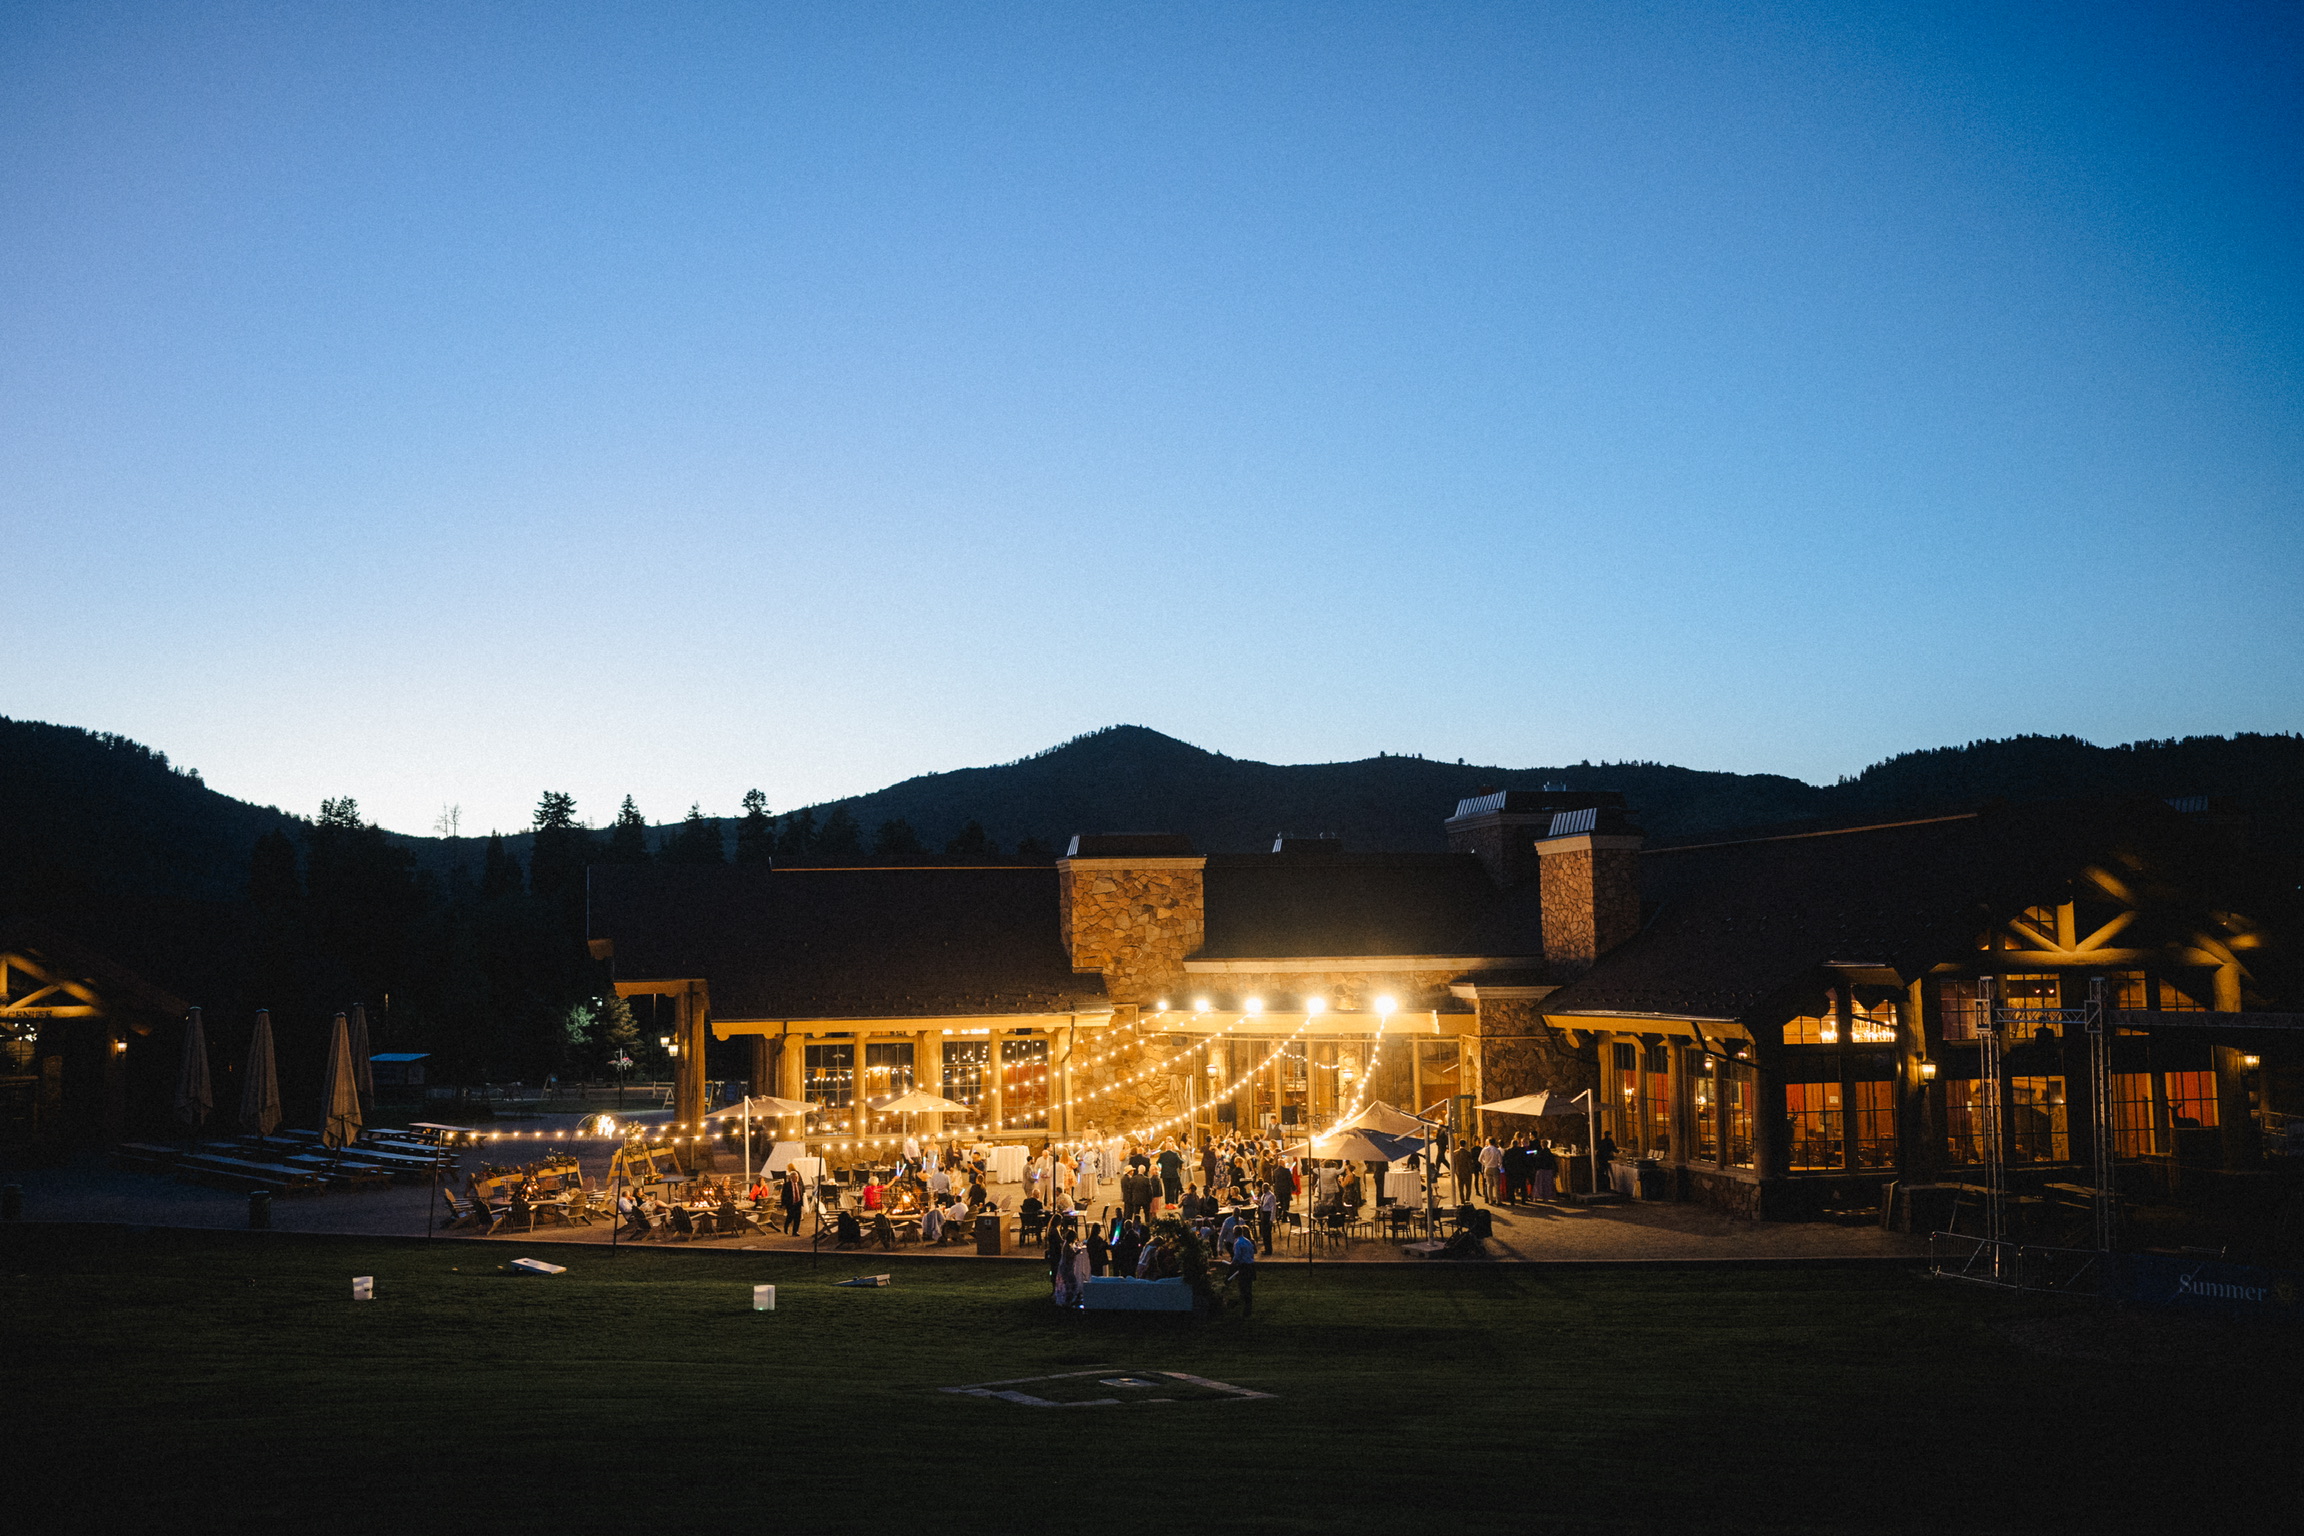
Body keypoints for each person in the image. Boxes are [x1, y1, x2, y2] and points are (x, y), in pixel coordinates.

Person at [1229, 1225, 1258, 1318]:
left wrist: (1233, 1263)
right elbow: (1252, 1253)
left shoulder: (1238, 1243)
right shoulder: (1248, 1241)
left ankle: (1245, 1309)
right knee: (1248, 1287)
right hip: (1251, 1266)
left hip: (1244, 1266)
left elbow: (1237, 1256)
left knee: (1243, 1287)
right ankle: (1248, 1307)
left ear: (1235, 1233)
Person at [1156, 1141, 1184, 1208]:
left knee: (1166, 1188)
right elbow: (1181, 1161)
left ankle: (1167, 1203)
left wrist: (1160, 1167)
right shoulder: (1175, 1154)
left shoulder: (1162, 1155)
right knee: (1172, 1189)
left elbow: (1158, 1162)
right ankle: (1171, 1203)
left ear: (1166, 1147)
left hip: (1165, 1174)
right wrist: (1184, 1159)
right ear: (1171, 1147)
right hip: (1173, 1174)